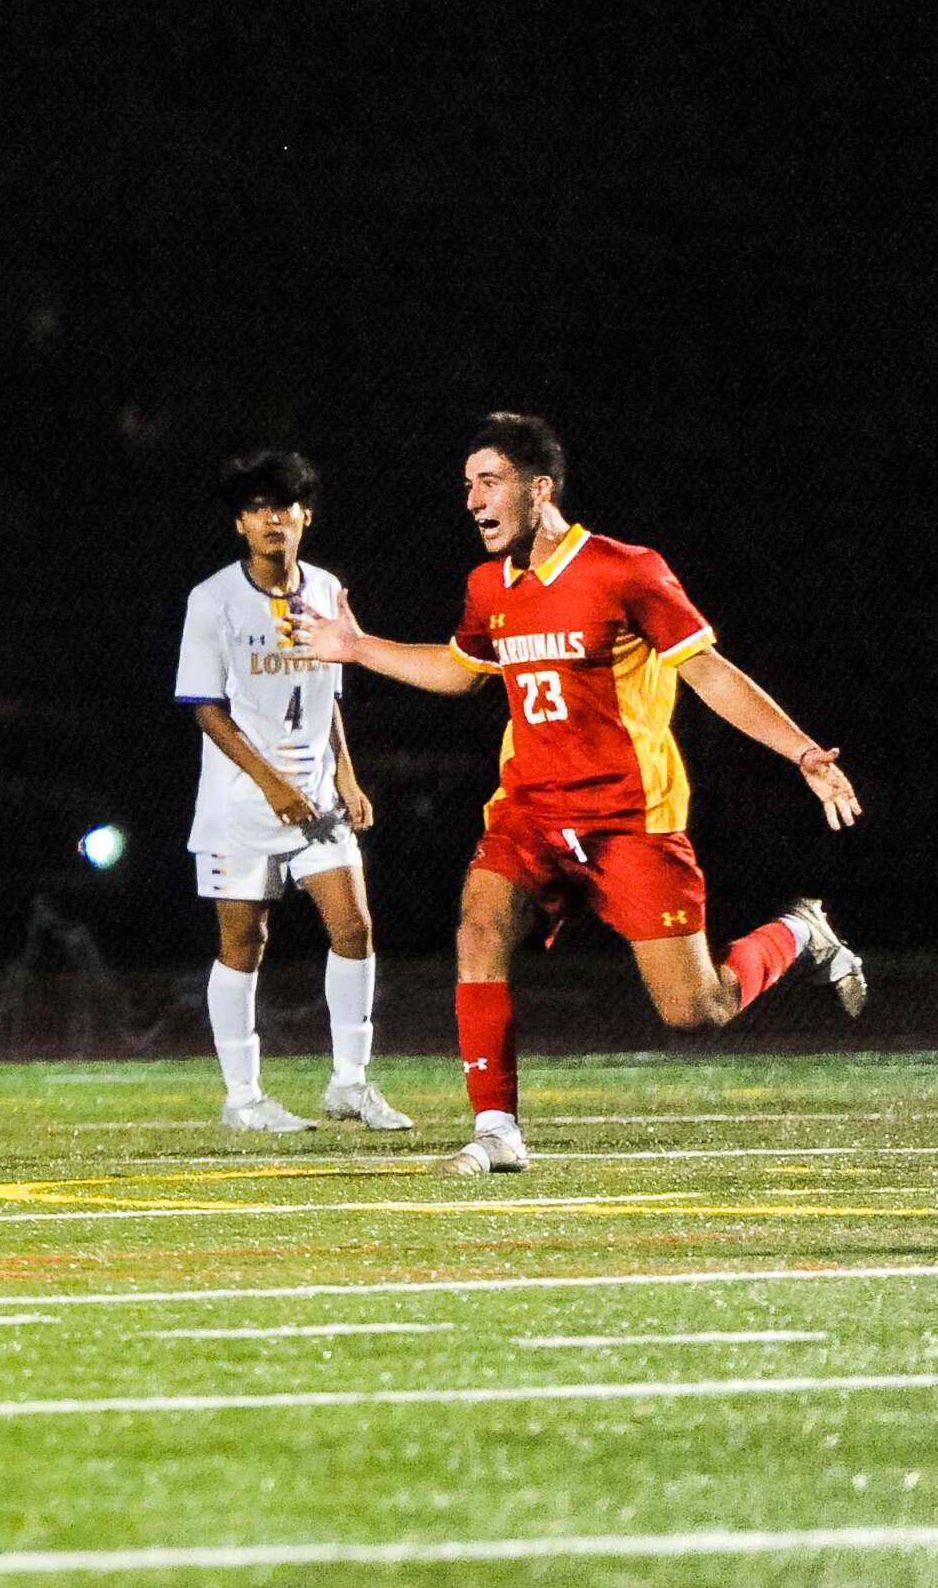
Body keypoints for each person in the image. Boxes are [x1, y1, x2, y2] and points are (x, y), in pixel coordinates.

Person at [296, 413, 865, 1176]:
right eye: (466, 486)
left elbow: (709, 672)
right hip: (530, 809)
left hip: (630, 821)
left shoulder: (625, 570)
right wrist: (357, 648)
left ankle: (797, 930)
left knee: (694, 1011)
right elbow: (460, 672)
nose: (471, 500)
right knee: (478, 927)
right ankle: (496, 1131)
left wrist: (800, 751)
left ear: (539, 488)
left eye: (487, 482)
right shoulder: (487, 585)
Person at [174, 451, 411, 1134]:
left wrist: (346, 775)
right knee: (243, 944)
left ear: (305, 516)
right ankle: (242, 1097)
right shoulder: (212, 599)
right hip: (239, 805)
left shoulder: (326, 588)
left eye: (283, 507)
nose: (271, 519)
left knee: (354, 928)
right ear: (239, 525)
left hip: (317, 802)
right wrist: (272, 784)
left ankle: (349, 1083)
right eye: (256, 509)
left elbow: (328, 693)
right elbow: (206, 710)